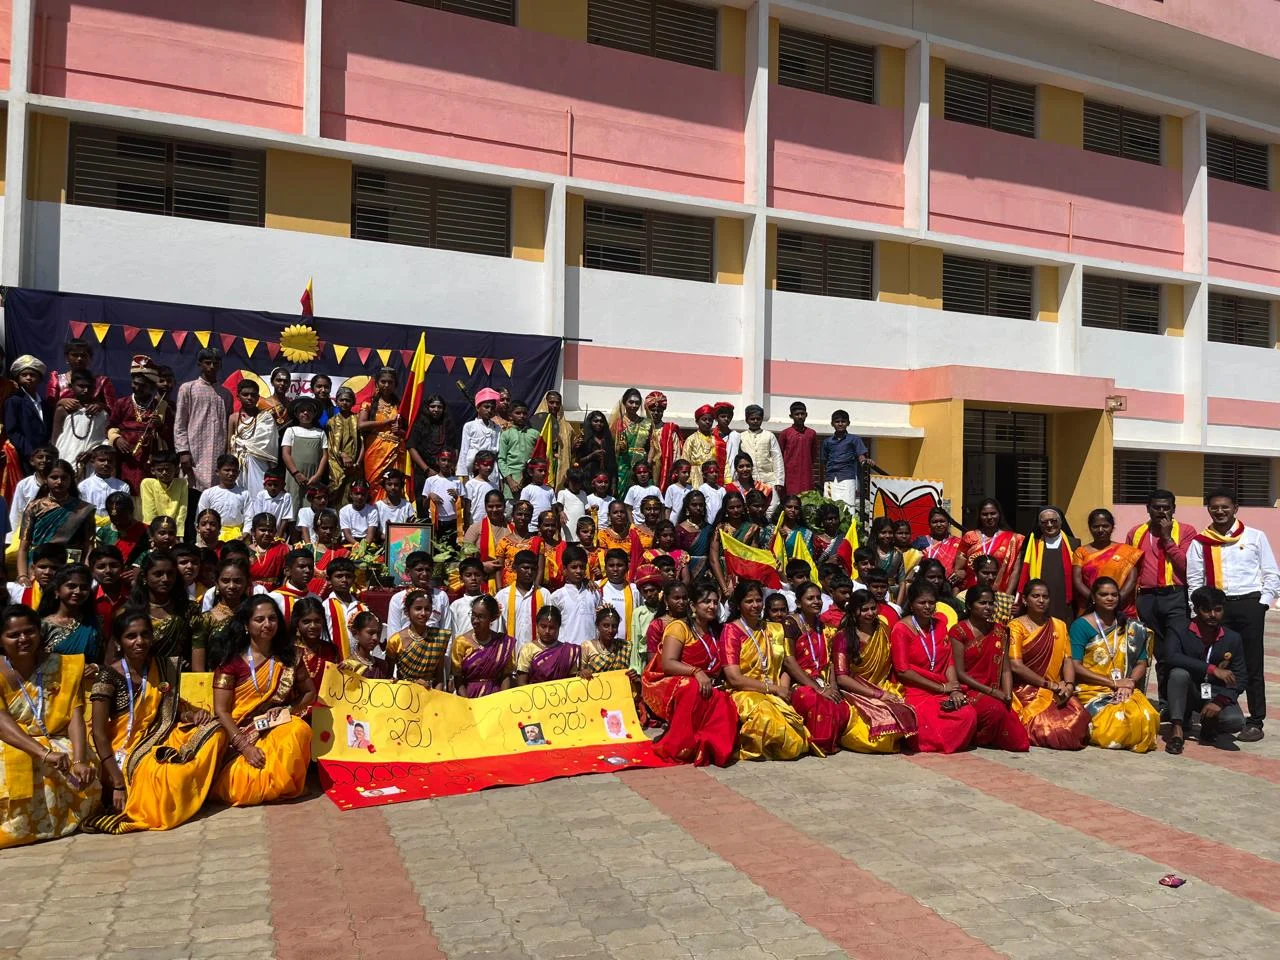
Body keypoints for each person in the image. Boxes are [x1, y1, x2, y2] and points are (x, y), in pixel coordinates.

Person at [84, 609, 219, 835]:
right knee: (162, 772)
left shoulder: (163, 667)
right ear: (118, 642)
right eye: (131, 636)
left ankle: (186, 795)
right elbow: (98, 733)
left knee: (214, 730)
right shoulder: (108, 675)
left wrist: (191, 716)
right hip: (123, 747)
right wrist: (117, 782)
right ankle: (159, 806)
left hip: (161, 734)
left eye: (145, 635)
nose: (140, 642)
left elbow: (171, 709)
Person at [0, 604, 100, 848]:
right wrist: (44, 753)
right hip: (12, 741)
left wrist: (79, 759)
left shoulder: (65, 665)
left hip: (57, 738)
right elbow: (2, 724)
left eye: (29, 631)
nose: (23, 639)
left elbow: (76, 715)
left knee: (81, 760)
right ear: (1, 640)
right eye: (13, 635)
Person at [1185, 488, 1279, 743]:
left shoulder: (1255, 537)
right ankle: (1216, 714)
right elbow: (1194, 580)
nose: (1220, 511)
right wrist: (1198, 611)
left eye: (1225, 507)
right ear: (1208, 509)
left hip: (1249, 605)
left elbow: (1271, 573)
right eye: (1214, 507)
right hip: (1216, 608)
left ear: (1235, 508)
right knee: (1217, 663)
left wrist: (1262, 604)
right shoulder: (1200, 542)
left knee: (1252, 664)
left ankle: (1255, 720)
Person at [208, 596, 314, 806]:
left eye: (272, 618)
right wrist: (245, 747)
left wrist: (288, 709)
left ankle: (282, 785)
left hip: (275, 726)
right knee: (244, 786)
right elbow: (221, 711)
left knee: (298, 729)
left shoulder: (290, 656)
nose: (267, 625)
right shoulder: (231, 662)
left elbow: (310, 693)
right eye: (259, 619)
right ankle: (268, 785)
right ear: (246, 625)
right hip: (239, 733)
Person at [641, 583, 738, 766]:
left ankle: (709, 745)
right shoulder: (679, 627)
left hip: (710, 683)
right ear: (693, 606)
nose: (712, 606)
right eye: (706, 602)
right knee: (693, 688)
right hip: (676, 681)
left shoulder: (717, 631)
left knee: (724, 699)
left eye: (715, 602)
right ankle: (682, 745)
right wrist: (696, 671)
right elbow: (668, 664)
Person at [720, 579, 811, 761]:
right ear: (738, 605)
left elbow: (786, 664)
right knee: (767, 718)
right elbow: (734, 678)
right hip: (745, 692)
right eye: (749, 601)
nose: (755, 605)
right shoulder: (731, 631)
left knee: (798, 735)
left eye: (758, 600)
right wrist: (773, 689)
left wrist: (782, 688)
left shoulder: (774, 629)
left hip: (775, 690)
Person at [1125, 488, 1196, 716]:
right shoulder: (1136, 533)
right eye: (1157, 507)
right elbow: (1130, 567)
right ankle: (1165, 703)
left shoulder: (1185, 531)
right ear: (1148, 509)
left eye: (1166, 507)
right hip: (1146, 598)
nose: (1162, 511)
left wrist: (1166, 538)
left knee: (1176, 650)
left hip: (1175, 595)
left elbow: (1186, 566)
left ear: (1174, 509)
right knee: (1158, 652)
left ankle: (1180, 703)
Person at [1068, 577, 1160, 752]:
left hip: (1125, 686)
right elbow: (1075, 666)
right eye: (1104, 595)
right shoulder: (1081, 625)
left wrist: (1130, 682)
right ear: (1094, 598)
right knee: (1115, 725)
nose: (1110, 598)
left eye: (1113, 595)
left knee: (1147, 717)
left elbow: (1142, 662)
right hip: (1092, 689)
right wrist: (1113, 683)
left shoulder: (1129, 626)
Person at [890, 581, 978, 753]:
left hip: (942, 688)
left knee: (967, 714)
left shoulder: (939, 625)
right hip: (914, 689)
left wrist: (954, 690)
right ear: (912, 605)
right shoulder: (901, 629)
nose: (928, 607)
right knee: (928, 721)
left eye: (931, 602)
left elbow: (948, 661)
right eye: (922, 603)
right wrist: (941, 687)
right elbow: (903, 671)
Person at [1164, 586, 1248, 753]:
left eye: (1218, 610)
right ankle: (1177, 731)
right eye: (1206, 610)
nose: (1212, 615)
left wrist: (1220, 702)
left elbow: (1241, 676)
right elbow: (1171, 656)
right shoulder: (1179, 628)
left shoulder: (1232, 637)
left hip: (1214, 692)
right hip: (1189, 690)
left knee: (1235, 721)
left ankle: (1209, 725)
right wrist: (1211, 669)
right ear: (1196, 609)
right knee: (1178, 674)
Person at [831, 590, 917, 753]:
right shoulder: (843, 637)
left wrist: (883, 691)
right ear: (854, 611)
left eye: (873, 608)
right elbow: (842, 678)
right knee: (877, 732)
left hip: (882, 685)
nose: (870, 613)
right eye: (864, 610)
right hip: (856, 690)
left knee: (904, 710)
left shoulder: (883, 629)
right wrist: (877, 695)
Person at [948, 586, 1030, 752]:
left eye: (991, 603)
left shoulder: (1000, 630)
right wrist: (994, 693)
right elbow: (960, 673)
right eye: (982, 603)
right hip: (968, 689)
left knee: (1020, 740)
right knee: (995, 710)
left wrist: (1007, 694)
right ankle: (978, 737)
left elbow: (1006, 668)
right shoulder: (959, 631)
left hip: (995, 691)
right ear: (970, 606)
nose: (988, 608)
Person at [781, 582, 850, 756]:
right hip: (799, 682)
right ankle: (817, 743)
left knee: (840, 705)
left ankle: (830, 742)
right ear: (798, 603)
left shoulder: (824, 627)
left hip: (823, 681)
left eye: (818, 597)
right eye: (810, 598)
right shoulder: (791, 623)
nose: (816, 602)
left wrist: (833, 687)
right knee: (812, 700)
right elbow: (789, 661)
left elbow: (831, 663)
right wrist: (817, 688)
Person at [16, 459, 95, 583]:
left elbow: (88, 546)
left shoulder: (84, 509)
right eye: (54, 477)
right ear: (45, 479)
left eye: (64, 478)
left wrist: (84, 573)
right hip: (39, 567)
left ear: (71, 480)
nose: (59, 482)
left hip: (70, 569)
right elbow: (24, 548)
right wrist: (23, 576)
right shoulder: (34, 507)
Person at [107, 355, 173, 496]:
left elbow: (170, 436)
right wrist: (117, 439)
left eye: (142, 386)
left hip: (150, 459)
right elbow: (110, 426)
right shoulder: (122, 403)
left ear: (152, 387)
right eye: (135, 383)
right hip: (125, 458)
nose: (136, 388)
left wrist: (159, 425)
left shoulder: (161, 407)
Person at [173, 348, 231, 497]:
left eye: (216, 363)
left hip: (218, 453)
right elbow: (180, 423)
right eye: (208, 363)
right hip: (194, 453)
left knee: (215, 495)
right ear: (200, 364)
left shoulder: (225, 394)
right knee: (192, 495)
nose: (212, 366)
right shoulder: (188, 389)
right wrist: (183, 451)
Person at [131, 551, 199, 670]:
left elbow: (198, 646)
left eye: (170, 574)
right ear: (144, 577)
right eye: (158, 574)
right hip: (140, 675)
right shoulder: (131, 611)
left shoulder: (189, 609)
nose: (165, 579)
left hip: (179, 677)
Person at [1072, 508, 1142, 615]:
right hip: (1090, 606)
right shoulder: (1081, 552)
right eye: (1095, 526)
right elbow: (1077, 580)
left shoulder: (1126, 551)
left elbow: (1131, 580)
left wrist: (1116, 600)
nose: (1100, 530)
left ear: (1112, 527)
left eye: (1105, 526)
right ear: (1090, 528)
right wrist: (1095, 600)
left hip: (1120, 607)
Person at [1017, 506, 1078, 624]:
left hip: (1065, 603)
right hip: (1039, 602)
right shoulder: (1031, 545)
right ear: (1039, 524)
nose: (1049, 525)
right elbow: (1022, 573)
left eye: (1053, 521)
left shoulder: (1074, 544)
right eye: (1044, 522)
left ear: (1061, 522)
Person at [451, 595, 517, 697]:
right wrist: (468, 703)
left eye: (481, 617)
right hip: (468, 697)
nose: (475, 621)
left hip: (495, 697)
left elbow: (506, 676)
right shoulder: (461, 642)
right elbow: (458, 679)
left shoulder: (503, 643)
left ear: (492, 618)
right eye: (473, 615)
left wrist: (502, 700)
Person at [620, 392, 682, 492]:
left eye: (659, 411)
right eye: (653, 410)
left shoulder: (669, 430)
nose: (656, 413)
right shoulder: (641, 426)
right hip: (639, 468)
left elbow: (676, 455)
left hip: (663, 471)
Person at [37, 565, 101, 662]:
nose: (77, 591)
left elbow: (103, 659)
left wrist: (96, 667)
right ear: (57, 591)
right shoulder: (43, 625)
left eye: (84, 587)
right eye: (71, 586)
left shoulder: (95, 622)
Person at [358, 367, 404, 502]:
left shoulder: (401, 405)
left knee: (394, 484)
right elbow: (361, 425)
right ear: (377, 383)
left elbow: (408, 431)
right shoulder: (369, 403)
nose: (386, 385)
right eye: (383, 382)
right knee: (374, 484)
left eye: (390, 382)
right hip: (375, 449)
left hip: (395, 450)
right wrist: (386, 422)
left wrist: (399, 430)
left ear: (395, 385)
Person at [228, 379, 278, 502]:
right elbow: (229, 443)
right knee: (239, 497)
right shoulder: (234, 417)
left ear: (258, 396)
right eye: (245, 394)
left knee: (259, 495)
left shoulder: (266, 417)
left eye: (253, 395)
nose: (249, 398)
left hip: (260, 463)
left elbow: (271, 445)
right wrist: (230, 464)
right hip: (239, 463)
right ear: (238, 396)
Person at [386, 591, 449, 688]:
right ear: (407, 611)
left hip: (430, 693)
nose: (423, 613)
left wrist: (434, 697)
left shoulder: (438, 638)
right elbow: (388, 676)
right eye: (418, 609)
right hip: (404, 692)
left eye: (427, 609)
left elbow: (439, 677)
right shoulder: (396, 640)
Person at [958, 499, 1024, 592]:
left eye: (993, 513)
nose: (989, 517)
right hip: (972, 591)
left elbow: (1015, 571)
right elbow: (959, 569)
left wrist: (1007, 596)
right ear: (979, 516)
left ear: (999, 514)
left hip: (1000, 593)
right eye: (984, 514)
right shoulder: (969, 537)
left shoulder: (1014, 539)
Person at [52, 369, 108, 475]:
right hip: (66, 458)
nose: (86, 390)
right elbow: (55, 440)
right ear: (72, 387)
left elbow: (104, 440)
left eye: (89, 387)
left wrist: (92, 453)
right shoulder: (63, 410)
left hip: (91, 463)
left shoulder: (101, 412)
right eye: (81, 386)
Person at [4, 355, 53, 470]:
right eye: (24, 375)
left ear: (40, 379)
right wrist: (31, 453)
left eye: (33, 375)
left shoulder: (45, 404)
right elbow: (13, 431)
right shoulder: (14, 401)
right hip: (26, 458)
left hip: (45, 458)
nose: (29, 378)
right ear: (18, 378)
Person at [281, 396, 329, 513]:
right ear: (297, 414)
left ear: (314, 414)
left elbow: (325, 456)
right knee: (293, 505)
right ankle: (293, 531)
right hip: (294, 477)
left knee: (311, 506)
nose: (305, 413)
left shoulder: (320, 433)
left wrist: (317, 476)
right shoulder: (291, 431)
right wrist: (296, 474)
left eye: (309, 410)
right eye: (302, 410)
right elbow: (286, 454)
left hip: (312, 477)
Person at [495, 550, 550, 650]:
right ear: (514, 568)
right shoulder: (503, 596)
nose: (529, 572)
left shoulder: (544, 594)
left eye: (533, 569)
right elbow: (496, 628)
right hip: (510, 654)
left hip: (537, 654)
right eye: (525, 568)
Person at [387, 551, 450, 637]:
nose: (424, 574)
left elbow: (446, 629)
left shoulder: (441, 596)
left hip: (435, 647)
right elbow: (393, 633)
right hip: (406, 647)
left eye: (428, 570)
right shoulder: (397, 599)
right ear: (408, 572)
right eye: (419, 570)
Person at [514, 606, 581, 685]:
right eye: (543, 626)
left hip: (561, 695)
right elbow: (522, 683)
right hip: (534, 695)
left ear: (559, 628)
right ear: (537, 625)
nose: (547, 631)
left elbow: (572, 681)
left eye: (552, 627)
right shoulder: (528, 649)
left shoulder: (568, 652)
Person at [290, 597, 340, 696]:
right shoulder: (289, 651)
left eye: (317, 621)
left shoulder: (331, 649)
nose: (313, 626)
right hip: (296, 708)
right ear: (297, 623)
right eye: (306, 622)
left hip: (325, 709)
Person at [463, 488, 509, 594]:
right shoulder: (475, 528)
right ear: (485, 507)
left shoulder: (512, 528)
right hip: (481, 583)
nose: (494, 510)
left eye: (498, 506)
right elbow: (465, 561)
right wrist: (482, 566)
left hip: (508, 583)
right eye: (490, 506)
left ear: (504, 506)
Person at [820, 410, 868, 512]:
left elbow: (861, 455)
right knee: (829, 509)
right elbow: (823, 461)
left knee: (848, 509)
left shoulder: (854, 439)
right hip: (831, 478)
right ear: (832, 424)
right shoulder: (827, 442)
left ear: (848, 423)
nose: (840, 424)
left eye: (843, 421)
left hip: (847, 478)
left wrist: (864, 460)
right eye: (837, 421)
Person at [530, 390, 578, 491]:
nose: (555, 405)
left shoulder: (567, 428)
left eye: (557, 403)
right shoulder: (536, 424)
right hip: (543, 466)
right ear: (545, 403)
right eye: (551, 402)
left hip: (561, 467)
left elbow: (571, 453)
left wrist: (575, 446)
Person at [197, 455, 250, 542]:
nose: (231, 473)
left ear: (239, 473)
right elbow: (201, 517)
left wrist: (245, 534)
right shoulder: (208, 493)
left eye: (234, 470)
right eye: (227, 470)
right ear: (217, 472)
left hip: (239, 537)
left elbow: (249, 517)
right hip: (213, 536)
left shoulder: (245, 494)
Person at [407, 394, 457, 482]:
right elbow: (411, 448)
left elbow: (455, 447)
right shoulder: (419, 424)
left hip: (446, 472)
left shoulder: (448, 425)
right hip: (423, 473)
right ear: (427, 407)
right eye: (432, 406)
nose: (436, 410)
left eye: (439, 407)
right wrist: (426, 469)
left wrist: (452, 465)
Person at [326, 385, 361, 505]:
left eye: (348, 400)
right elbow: (331, 445)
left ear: (353, 403)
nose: (345, 403)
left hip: (355, 465)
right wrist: (343, 455)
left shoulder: (358, 419)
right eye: (342, 400)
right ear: (336, 402)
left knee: (352, 493)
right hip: (336, 463)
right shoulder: (331, 421)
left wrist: (358, 463)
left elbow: (363, 443)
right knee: (336, 490)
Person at [498, 401, 539, 501]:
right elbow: (501, 459)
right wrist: (510, 480)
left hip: (530, 481)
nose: (522, 416)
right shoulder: (506, 434)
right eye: (518, 413)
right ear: (510, 416)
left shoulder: (535, 434)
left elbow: (539, 458)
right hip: (511, 484)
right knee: (510, 513)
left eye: (524, 413)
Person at [458, 387, 502, 480]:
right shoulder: (470, 426)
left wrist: (500, 478)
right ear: (478, 407)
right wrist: (464, 475)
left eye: (492, 408)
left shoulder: (497, 428)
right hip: (473, 471)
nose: (489, 410)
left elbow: (498, 454)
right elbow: (464, 451)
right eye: (486, 407)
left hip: (492, 471)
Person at [777, 401, 818, 497]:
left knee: (806, 500)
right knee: (790, 500)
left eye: (802, 414)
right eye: (796, 414)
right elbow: (779, 455)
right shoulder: (785, 433)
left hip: (806, 474)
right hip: (790, 475)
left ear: (806, 415)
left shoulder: (811, 433)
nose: (800, 416)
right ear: (791, 416)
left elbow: (813, 455)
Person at [140, 450, 188, 532]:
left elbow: (182, 510)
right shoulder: (147, 484)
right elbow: (149, 513)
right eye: (160, 470)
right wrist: (154, 534)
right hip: (154, 530)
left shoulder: (182, 483)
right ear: (153, 470)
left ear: (176, 470)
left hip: (174, 529)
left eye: (168, 469)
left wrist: (178, 533)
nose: (164, 473)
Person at [573, 410, 618, 493]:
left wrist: (614, 483)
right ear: (590, 422)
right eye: (596, 421)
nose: (599, 424)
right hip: (588, 479)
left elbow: (613, 463)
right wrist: (592, 456)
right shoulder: (584, 440)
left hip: (605, 481)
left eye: (601, 421)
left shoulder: (608, 440)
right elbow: (578, 462)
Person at [340, 611, 393, 680]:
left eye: (379, 633)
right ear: (355, 633)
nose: (375, 638)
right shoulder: (348, 666)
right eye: (371, 632)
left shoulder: (382, 666)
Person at [921, 508, 966, 587]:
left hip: (951, 588)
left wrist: (963, 572)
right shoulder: (921, 542)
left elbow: (967, 566)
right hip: (926, 588)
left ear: (948, 523)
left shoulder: (959, 543)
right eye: (934, 522)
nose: (938, 525)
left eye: (942, 521)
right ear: (929, 524)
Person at [680, 405, 722, 489]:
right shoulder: (691, 439)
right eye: (704, 419)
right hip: (696, 477)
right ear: (697, 421)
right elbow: (685, 461)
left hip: (714, 476)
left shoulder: (717, 440)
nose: (707, 422)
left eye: (710, 420)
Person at [870, 517, 904, 589]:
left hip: (892, 592)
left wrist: (898, 600)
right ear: (876, 533)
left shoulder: (897, 554)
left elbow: (902, 581)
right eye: (883, 532)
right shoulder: (870, 552)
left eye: (890, 532)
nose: (887, 536)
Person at [262, 367, 293, 431]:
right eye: (279, 380)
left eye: (285, 381)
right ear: (272, 382)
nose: (282, 384)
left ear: (289, 383)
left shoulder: (292, 406)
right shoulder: (261, 404)